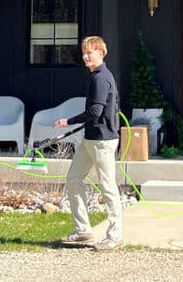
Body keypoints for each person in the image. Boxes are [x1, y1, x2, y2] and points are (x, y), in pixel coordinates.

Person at [54, 35, 123, 250]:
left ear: (101, 53)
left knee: (108, 186)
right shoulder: (96, 76)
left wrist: (68, 121)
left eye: (89, 53)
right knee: (73, 179)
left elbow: (96, 111)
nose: (85, 57)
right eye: (83, 53)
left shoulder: (101, 78)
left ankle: (115, 236)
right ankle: (83, 231)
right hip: (90, 139)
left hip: (102, 141)